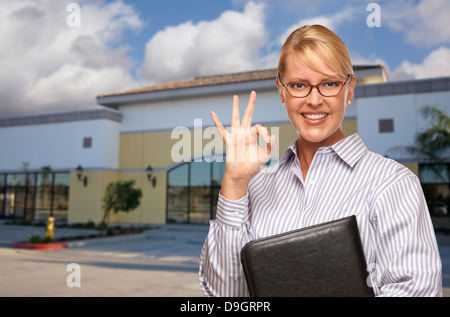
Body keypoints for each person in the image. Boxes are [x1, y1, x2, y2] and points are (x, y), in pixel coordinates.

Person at [199, 24, 442, 297]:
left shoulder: (392, 184)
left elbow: (415, 290)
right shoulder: (255, 188)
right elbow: (229, 294)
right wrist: (234, 184)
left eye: (329, 84)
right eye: (299, 85)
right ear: (282, 92)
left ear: (349, 90)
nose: (314, 100)